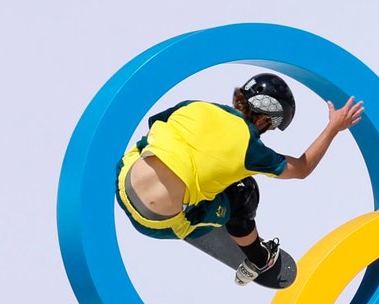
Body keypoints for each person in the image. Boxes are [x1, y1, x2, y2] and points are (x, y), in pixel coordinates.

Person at [115, 73, 364, 286]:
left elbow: (155, 124)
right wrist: (333, 127)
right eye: (270, 127)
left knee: (155, 143)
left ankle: (196, 194)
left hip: (122, 180)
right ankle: (258, 258)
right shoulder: (250, 147)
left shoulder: (195, 106)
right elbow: (302, 168)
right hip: (154, 222)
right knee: (244, 190)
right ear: (265, 119)